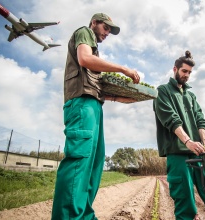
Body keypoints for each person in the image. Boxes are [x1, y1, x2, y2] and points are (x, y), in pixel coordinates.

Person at [51, 13, 140, 220]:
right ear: (94, 23)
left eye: (110, 30)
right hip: (82, 105)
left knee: (95, 163)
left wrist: (118, 98)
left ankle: (84, 216)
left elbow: (93, 85)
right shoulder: (84, 33)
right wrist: (123, 69)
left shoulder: (95, 53)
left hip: (93, 106)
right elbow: (84, 59)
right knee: (79, 161)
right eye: (106, 28)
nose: (107, 33)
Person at [153, 51, 205, 220]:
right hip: (178, 154)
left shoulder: (191, 96)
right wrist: (188, 141)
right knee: (184, 199)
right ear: (175, 69)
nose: (186, 75)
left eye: (189, 73)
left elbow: (200, 120)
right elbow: (171, 119)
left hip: (199, 152)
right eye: (184, 71)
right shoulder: (163, 92)